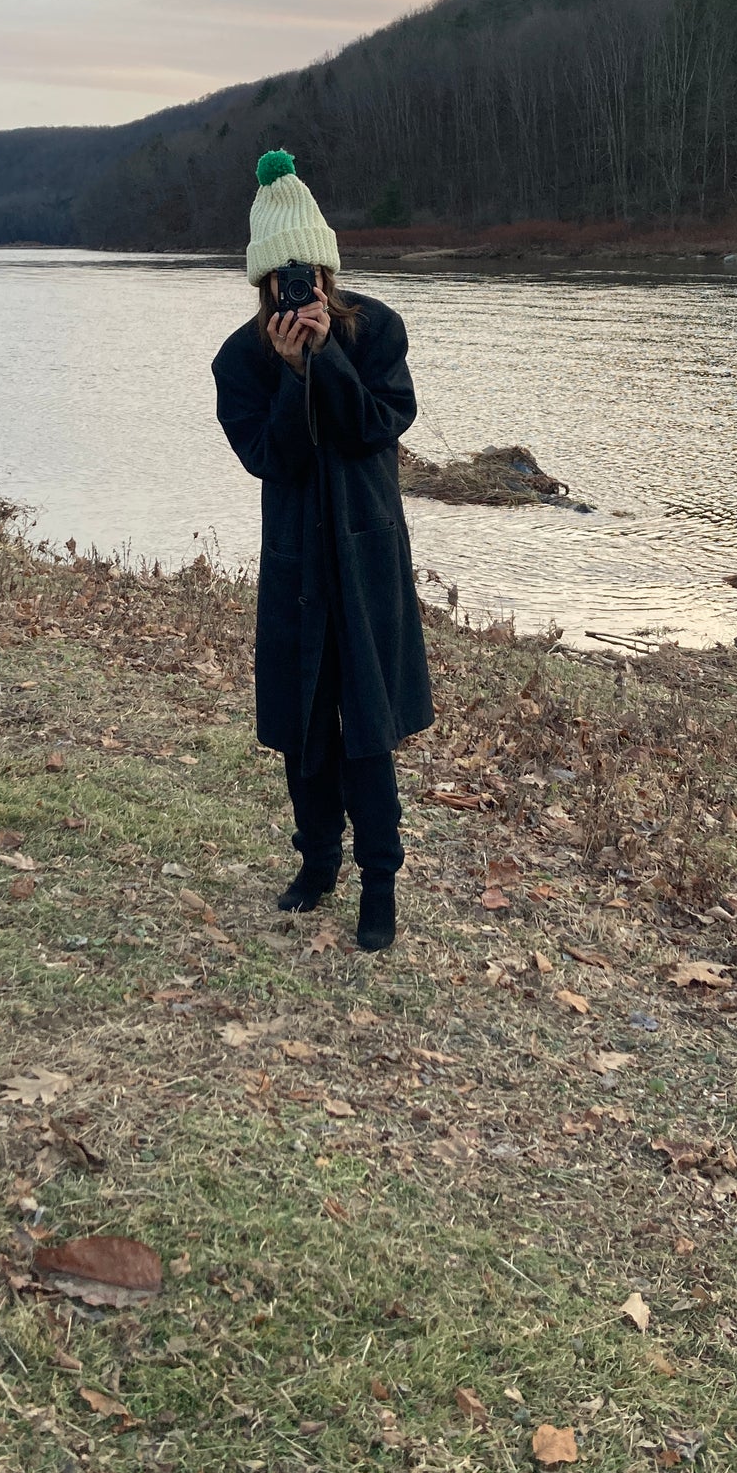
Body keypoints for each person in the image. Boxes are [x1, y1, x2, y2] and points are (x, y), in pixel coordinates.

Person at [212, 151, 434, 951]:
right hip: (298, 567)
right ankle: (317, 865)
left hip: (366, 562)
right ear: (260, 283)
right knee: (306, 728)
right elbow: (273, 461)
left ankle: (381, 882)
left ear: (327, 270)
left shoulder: (376, 331)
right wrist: (289, 372)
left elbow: (379, 425)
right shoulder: (240, 361)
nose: (296, 291)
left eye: (305, 274)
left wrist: (326, 359)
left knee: (368, 727)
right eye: (279, 279)